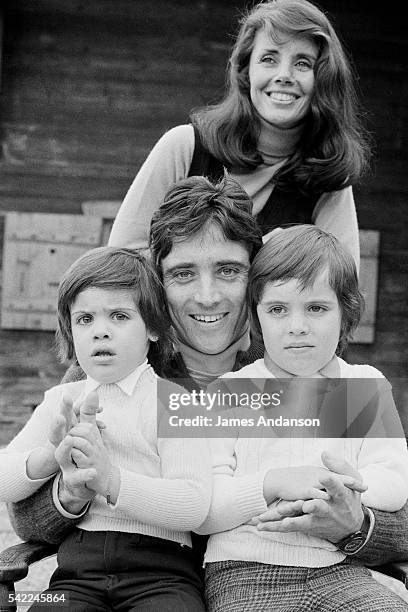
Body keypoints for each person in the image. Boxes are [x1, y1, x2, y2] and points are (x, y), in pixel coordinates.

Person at [6, 177, 408, 590]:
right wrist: (72, 493)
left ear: (256, 281)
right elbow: (25, 519)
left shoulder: (298, 367)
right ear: (158, 283)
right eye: (182, 274)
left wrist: (352, 525)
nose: (208, 295)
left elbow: (398, 510)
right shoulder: (113, 372)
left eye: (229, 270)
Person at [197, 225, 408, 611]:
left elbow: (394, 480)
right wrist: (274, 484)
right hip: (245, 569)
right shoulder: (231, 390)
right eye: (277, 309)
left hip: (339, 567)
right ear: (256, 317)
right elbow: (205, 508)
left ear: (346, 312)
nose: (297, 325)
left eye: (316, 308)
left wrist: (334, 490)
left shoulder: (363, 386)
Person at [1, 246, 212, 611]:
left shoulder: (174, 403)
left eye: (118, 316)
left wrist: (109, 480)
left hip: (163, 574)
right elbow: (4, 478)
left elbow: (194, 504)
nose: (100, 332)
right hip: (77, 573)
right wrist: (53, 456)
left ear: (155, 329)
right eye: (85, 319)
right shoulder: (63, 399)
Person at [108, 0, 371, 269]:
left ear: (324, 78)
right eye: (269, 59)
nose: (284, 75)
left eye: (303, 63)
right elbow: (122, 259)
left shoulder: (326, 176)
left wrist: (284, 255)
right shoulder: (185, 146)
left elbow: (342, 286)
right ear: (246, 71)